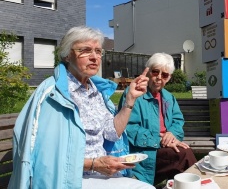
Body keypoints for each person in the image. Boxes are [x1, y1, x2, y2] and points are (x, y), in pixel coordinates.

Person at [8, 26, 155, 189]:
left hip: (101, 174)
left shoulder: (96, 91)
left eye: (98, 51)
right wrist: (94, 164)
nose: (95, 57)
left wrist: (130, 100)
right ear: (67, 55)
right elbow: (44, 155)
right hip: (68, 180)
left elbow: (111, 134)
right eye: (85, 50)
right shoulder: (53, 95)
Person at [118, 52, 197, 185]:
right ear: (148, 72)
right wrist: (160, 140)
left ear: (169, 78)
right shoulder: (134, 94)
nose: (159, 77)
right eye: (155, 72)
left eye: (164, 75)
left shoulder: (168, 97)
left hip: (165, 148)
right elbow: (129, 128)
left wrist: (171, 134)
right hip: (144, 152)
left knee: (181, 156)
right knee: (184, 155)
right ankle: (199, 183)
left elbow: (178, 121)